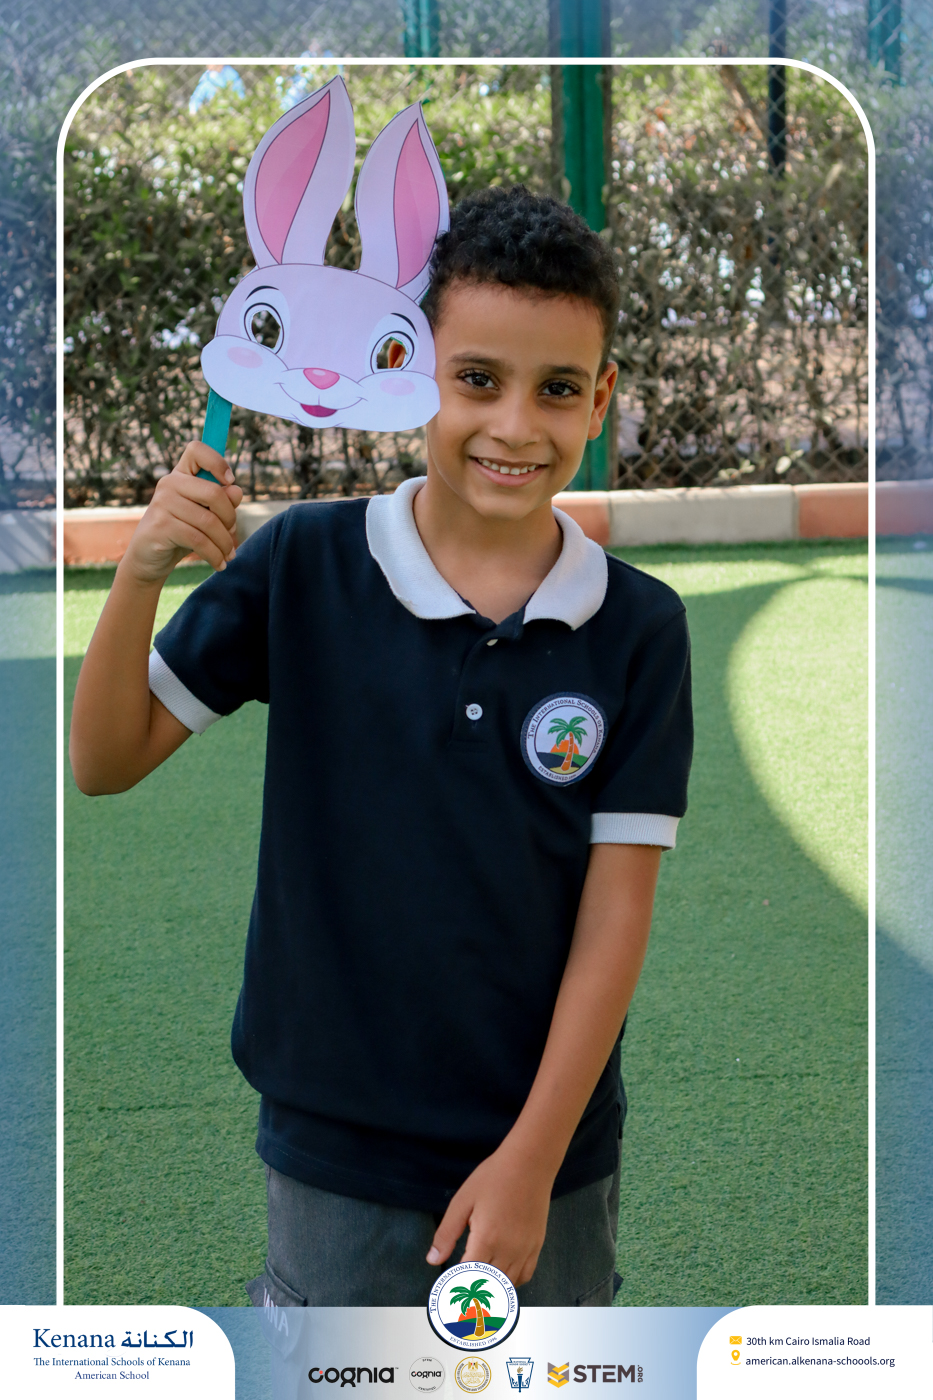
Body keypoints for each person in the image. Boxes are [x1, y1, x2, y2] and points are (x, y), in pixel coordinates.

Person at [70, 185, 693, 1308]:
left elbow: (616, 913)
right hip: (333, 1143)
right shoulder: (303, 565)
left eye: (557, 389)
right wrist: (141, 568)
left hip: (548, 1151)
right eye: (476, 379)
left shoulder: (640, 628)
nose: (516, 425)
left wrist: (532, 1158)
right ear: (411, 372)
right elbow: (104, 759)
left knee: (543, 1378)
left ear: (600, 398)